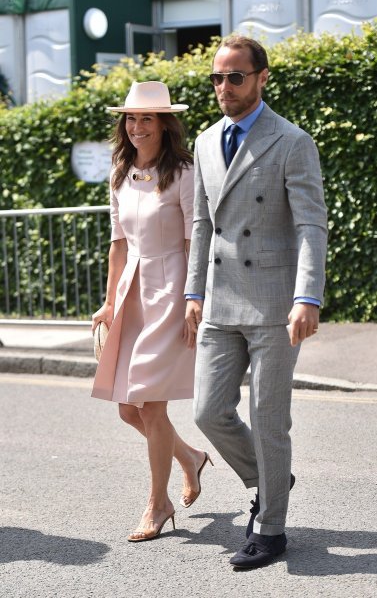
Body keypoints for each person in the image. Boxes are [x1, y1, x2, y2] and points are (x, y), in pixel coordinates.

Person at [185, 36, 328, 568]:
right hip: (220, 302)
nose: (224, 87)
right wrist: (192, 290)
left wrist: (307, 296)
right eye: (217, 79)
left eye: (235, 77)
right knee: (208, 411)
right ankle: (270, 479)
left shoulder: (292, 141)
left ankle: (271, 528)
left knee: (269, 418)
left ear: (262, 77)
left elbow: (312, 225)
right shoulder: (203, 142)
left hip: (273, 303)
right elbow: (202, 223)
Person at [91, 81, 213, 543]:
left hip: (171, 289)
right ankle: (190, 458)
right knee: (128, 409)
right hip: (133, 291)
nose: (137, 126)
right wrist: (108, 302)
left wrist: (192, 297)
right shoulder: (120, 171)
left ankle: (157, 504)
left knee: (151, 403)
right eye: (131, 118)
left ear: (164, 123)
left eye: (147, 118)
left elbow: (191, 240)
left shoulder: (182, 171)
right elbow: (118, 244)